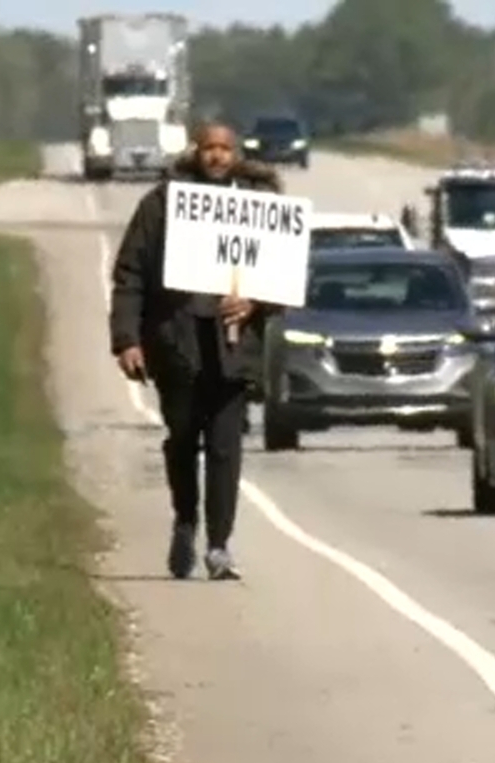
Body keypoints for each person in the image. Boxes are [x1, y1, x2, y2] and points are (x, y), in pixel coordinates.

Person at [108, 120, 284, 581]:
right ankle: (186, 520)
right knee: (183, 441)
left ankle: (220, 546)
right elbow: (130, 274)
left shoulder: (261, 204)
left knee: (226, 450)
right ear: (196, 151)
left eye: (226, 148)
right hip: (176, 345)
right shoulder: (164, 204)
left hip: (233, 350)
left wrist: (256, 299)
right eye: (209, 148)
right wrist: (127, 340)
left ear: (237, 153)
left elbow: (285, 278)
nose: (217, 156)